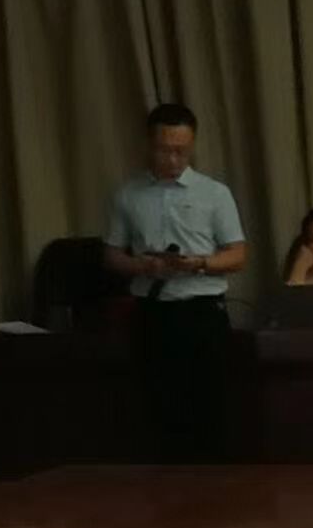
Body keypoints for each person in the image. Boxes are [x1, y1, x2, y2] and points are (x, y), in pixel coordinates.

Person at [103, 101, 247, 460]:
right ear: (148, 145)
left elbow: (238, 254)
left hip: (202, 311)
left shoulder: (214, 193)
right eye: (164, 150)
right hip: (152, 311)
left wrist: (200, 263)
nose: (173, 159)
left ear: (192, 144)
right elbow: (111, 255)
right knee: (157, 407)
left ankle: (214, 485)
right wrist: (142, 266)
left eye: (181, 151)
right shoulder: (128, 194)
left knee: (211, 408)